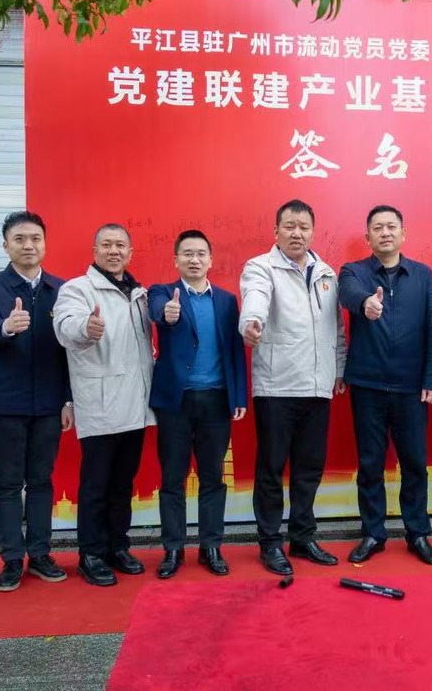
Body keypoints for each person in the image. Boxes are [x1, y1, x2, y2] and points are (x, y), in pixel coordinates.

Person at [239, 199, 346, 575]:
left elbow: (336, 327)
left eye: (303, 227)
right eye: (289, 226)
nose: (296, 233)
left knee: (309, 467)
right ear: (276, 231)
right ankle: (270, 542)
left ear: (313, 232)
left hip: (317, 386)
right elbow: (255, 298)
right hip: (277, 386)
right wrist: (251, 323)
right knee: (271, 468)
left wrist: (338, 369)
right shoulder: (260, 267)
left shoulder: (327, 273)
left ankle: (302, 536)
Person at [338, 205, 432, 566]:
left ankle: (418, 533)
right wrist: (365, 303)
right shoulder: (354, 272)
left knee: (414, 463)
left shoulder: (423, 275)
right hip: (367, 386)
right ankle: (373, 533)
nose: (385, 233)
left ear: (403, 234)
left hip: (411, 388)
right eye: (378, 228)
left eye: (391, 227)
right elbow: (347, 294)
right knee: (370, 464)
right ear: (367, 237)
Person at [0, 212, 73, 592]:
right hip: (6, 403)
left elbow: (69, 351)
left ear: (45, 244)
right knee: (8, 484)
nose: (28, 245)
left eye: (35, 239)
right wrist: (5, 327)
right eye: (19, 239)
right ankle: (12, 558)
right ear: (6, 246)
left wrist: (68, 400)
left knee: (42, 481)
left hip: (49, 402)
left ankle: (41, 553)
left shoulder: (62, 289)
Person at [53, 223, 155, 586]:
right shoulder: (77, 289)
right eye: (107, 245)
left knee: (123, 483)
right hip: (99, 404)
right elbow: (65, 326)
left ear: (130, 252)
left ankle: (117, 546)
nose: (114, 251)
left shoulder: (139, 294)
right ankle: (91, 554)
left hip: (136, 404)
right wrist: (85, 328)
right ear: (95, 251)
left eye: (121, 246)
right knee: (96, 484)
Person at [148, 230, 248, 579]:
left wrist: (238, 395)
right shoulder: (162, 293)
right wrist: (168, 313)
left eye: (201, 253)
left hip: (216, 400)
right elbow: (157, 311)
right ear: (176, 260)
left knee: (213, 478)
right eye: (187, 253)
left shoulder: (226, 301)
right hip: (175, 402)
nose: (194, 259)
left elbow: (235, 349)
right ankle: (173, 549)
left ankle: (211, 546)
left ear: (210, 260)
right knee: (172, 479)